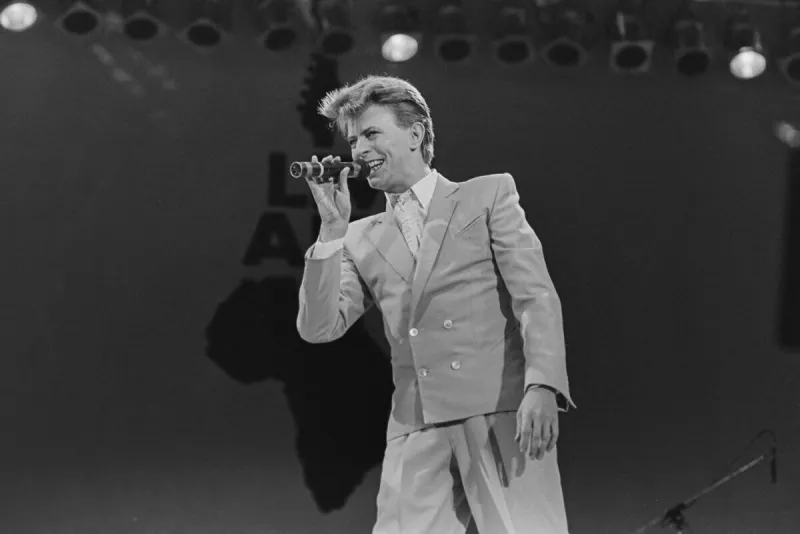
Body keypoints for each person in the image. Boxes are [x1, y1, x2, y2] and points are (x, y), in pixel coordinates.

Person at [296, 74, 576, 534]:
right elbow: (318, 327)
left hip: (499, 411)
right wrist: (330, 233)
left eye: (371, 134)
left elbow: (535, 297)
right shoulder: (360, 236)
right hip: (416, 425)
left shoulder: (487, 195)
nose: (359, 150)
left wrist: (543, 386)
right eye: (353, 140)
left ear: (415, 133)